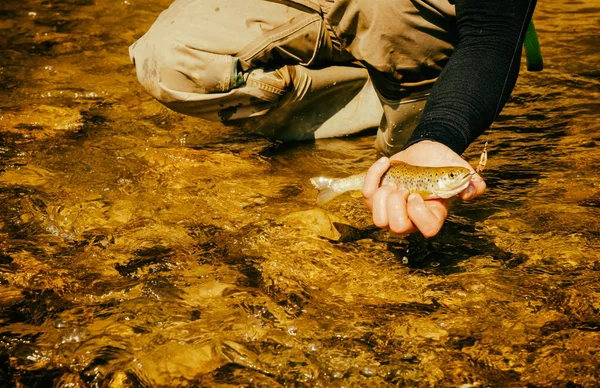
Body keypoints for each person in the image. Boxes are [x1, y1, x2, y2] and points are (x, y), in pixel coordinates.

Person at [129, 0, 538, 238]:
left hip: (409, 18)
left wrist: (441, 132)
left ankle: (415, 95)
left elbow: (493, 33)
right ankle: (358, 96)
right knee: (168, 56)